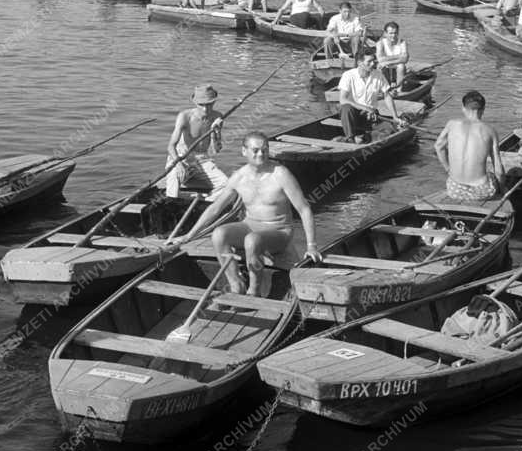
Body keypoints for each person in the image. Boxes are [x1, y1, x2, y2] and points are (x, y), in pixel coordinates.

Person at [184, 131, 319, 296]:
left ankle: (254, 290)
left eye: (265, 149)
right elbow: (215, 208)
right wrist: (189, 236)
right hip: (250, 225)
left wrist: (311, 246)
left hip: (279, 231)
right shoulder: (239, 177)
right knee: (219, 234)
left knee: (252, 240)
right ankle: (236, 284)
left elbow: (304, 209)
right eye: (255, 150)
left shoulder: (281, 174)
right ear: (244, 151)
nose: (261, 154)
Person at [433, 91, 505, 203]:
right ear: (483, 109)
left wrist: (448, 169)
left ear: (463, 108)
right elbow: (499, 171)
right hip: (482, 192)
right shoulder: (490, 131)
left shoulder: (452, 124)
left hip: (455, 189)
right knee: (491, 173)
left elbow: (438, 147)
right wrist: (501, 190)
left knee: (455, 176)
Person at [164, 84, 228, 200]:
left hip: (202, 160)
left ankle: (204, 200)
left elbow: (216, 150)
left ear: (214, 102)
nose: (205, 109)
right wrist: (178, 164)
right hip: (182, 159)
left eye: (209, 105)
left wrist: (216, 132)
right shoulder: (185, 116)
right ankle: (187, 197)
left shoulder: (217, 117)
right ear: (195, 103)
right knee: (172, 193)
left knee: (227, 185)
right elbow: (170, 146)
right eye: (201, 105)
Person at [337, 52, 399, 144]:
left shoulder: (378, 75)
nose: (373, 64)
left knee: (390, 130)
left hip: (371, 116)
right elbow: (343, 99)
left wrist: (395, 117)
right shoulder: (348, 75)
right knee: (345, 107)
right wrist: (366, 108)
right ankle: (351, 139)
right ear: (359, 63)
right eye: (369, 61)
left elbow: (387, 96)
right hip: (353, 115)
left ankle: (363, 137)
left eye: (374, 61)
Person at [375, 21, 409, 89]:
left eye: (395, 33)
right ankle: (385, 88)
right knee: (380, 66)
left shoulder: (402, 42)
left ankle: (399, 89)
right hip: (386, 66)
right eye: (391, 33)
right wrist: (399, 56)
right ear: (385, 33)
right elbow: (380, 59)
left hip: (396, 65)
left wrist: (387, 61)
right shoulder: (380, 43)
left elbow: (405, 59)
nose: (393, 35)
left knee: (401, 66)